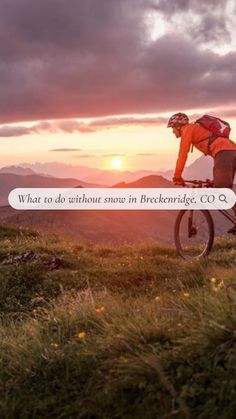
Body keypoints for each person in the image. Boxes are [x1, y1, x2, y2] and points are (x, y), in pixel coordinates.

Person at [167, 112, 236, 230]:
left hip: (224, 153)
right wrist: (216, 179)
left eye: (173, 128)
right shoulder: (196, 129)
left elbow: (183, 154)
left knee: (222, 190)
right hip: (230, 151)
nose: (173, 132)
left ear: (178, 126)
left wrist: (177, 176)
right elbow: (218, 159)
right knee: (223, 187)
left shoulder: (188, 129)